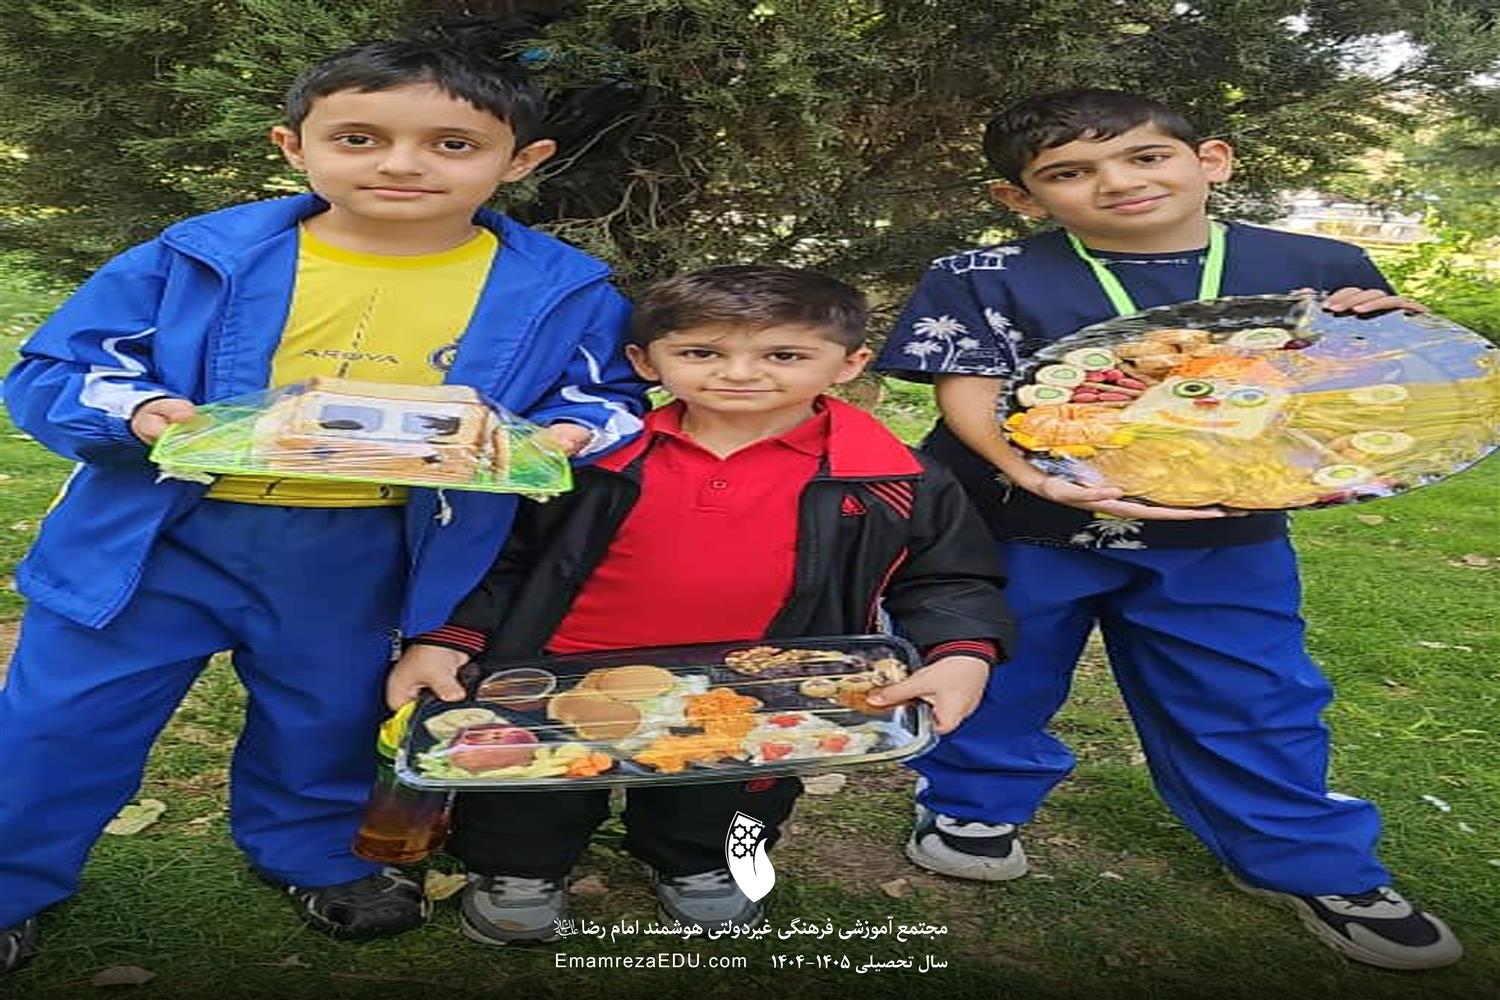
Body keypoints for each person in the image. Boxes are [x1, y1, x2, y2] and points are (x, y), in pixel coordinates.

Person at [0, 36, 645, 972]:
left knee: (327, 715)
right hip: (154, 539)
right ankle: (11, 879)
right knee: (63, 718)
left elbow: (608, 399)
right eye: (359, 137)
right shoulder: (197, 258)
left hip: (368, 545)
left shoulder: (561, 290)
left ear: (522, 160)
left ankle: (316, 855)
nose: (402, 163)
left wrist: (563, 438)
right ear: (294, 146)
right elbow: (58, 369)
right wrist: (140, 413)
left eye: (452, 145)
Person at [875, 89, 1463, 971]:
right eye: (1070, 172)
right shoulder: (982, 273)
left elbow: (1361, 375)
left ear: (1211, 160)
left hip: (1222, 533)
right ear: (1021, 198)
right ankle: (972, 804)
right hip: (1014, 523)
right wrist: (1031, 474)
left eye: (1145, 156)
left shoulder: (1316, 263)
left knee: (1250, 692)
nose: (1117, 182)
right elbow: (968, 383)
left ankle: (1307, 861)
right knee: (996, 668)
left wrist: (1397, 335)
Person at [387, 265, 1014, 943]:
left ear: (849, 364)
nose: (739, 373)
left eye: (784, 355)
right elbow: (506, 559)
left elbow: (948, 578)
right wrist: (449, 638)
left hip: (757, 691)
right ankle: (517, 870)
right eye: (701, 352)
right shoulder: (590, 460)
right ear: (644, 361)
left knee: (729, 794)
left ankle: (701, 866)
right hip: (560, 669)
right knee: (532, 787)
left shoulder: (893, 476)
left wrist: (961, 654)